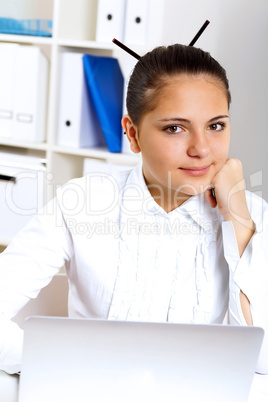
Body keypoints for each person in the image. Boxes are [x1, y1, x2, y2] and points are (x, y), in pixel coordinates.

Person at [0, 44, 268, 375]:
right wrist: (68, 368)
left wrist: (238, 219)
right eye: (175, 128)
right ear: (132, 133)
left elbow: (263, 360)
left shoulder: (250, 212)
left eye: (215, 126)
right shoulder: (81, 205)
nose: (202, 149)